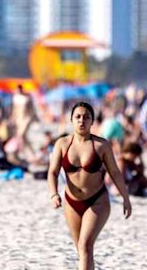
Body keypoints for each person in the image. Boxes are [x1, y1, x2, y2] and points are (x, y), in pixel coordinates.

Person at [48, 101, 132, 270]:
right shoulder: (62, 144)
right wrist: (53, 194)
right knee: (82, 250)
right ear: (71, 120)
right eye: (78, 117)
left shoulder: (101, 145)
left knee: (85, 245)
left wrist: (125, 198)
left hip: (97, 201)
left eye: (86, 117)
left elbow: (115, 172)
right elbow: (52, 172)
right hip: (71, 202)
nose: (82, 121)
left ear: (92, 121)